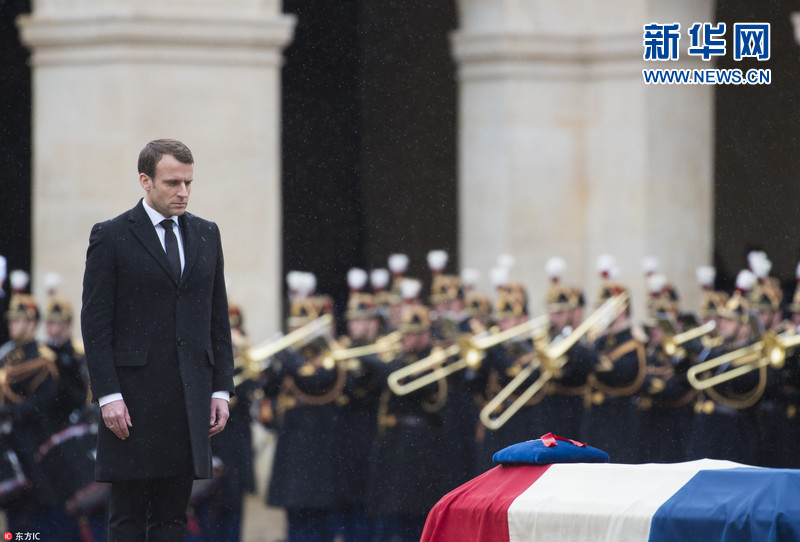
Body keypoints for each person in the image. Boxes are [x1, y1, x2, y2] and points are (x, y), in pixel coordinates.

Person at [80, 139, 235, 541]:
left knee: (173, 518)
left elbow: (217, 318)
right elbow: (95, 324)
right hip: (132, 400)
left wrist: (221, 389)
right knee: (127, 518)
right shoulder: (111, 235)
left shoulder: (207, 233)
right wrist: (108, 395)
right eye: (172, 183)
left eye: (188, 182)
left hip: (188, 397)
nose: (183, 192)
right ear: (145, 181)